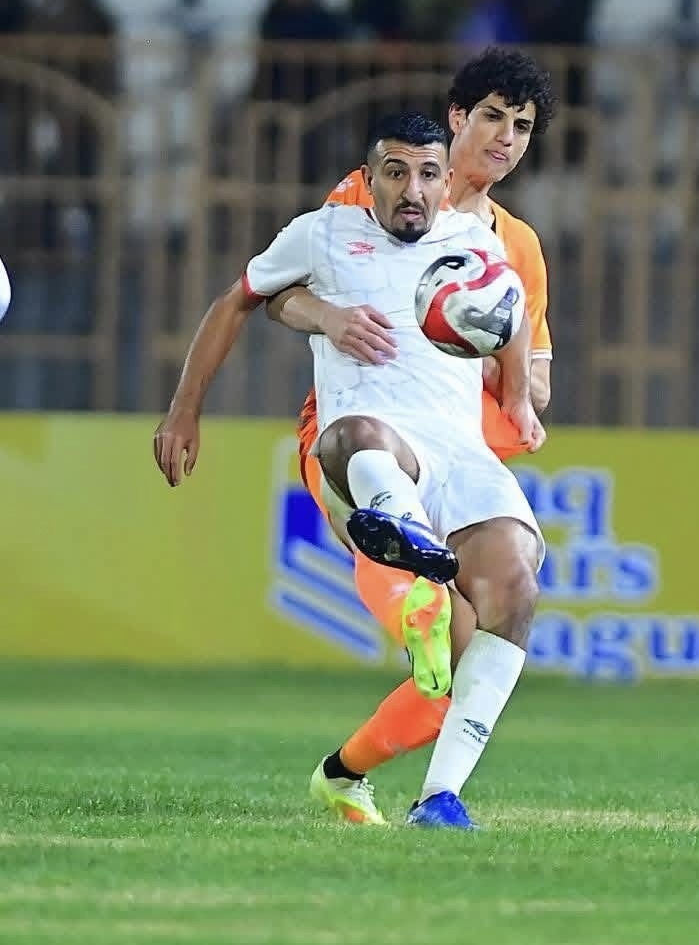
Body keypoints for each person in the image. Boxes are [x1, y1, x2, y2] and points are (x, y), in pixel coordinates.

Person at [156, 112, 545, 831]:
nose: (412, 190)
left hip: (459, 452)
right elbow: (243, 299)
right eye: (396, 173)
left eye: (427, 175)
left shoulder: (479, 245)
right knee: (354, 437)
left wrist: (518, 395)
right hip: (368, 445)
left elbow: (512, 317)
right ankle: (407, 544)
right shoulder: (325, 233)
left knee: (514, 587)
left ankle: (435, 797)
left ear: (446, 182)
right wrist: (185, 410)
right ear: (369, 179)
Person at [268, 48, 557, 826]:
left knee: (454, 672)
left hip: (455, 455)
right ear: (458, 118)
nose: (504, 138)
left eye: (522, 126)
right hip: (360, 441)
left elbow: (533, 385)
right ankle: (417, 769)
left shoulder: (516, 247)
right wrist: (331, 317)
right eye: (491, 117)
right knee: (425, 614)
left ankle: (346, 776)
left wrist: (476, 339)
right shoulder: (373, 190)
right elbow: (287, 291)